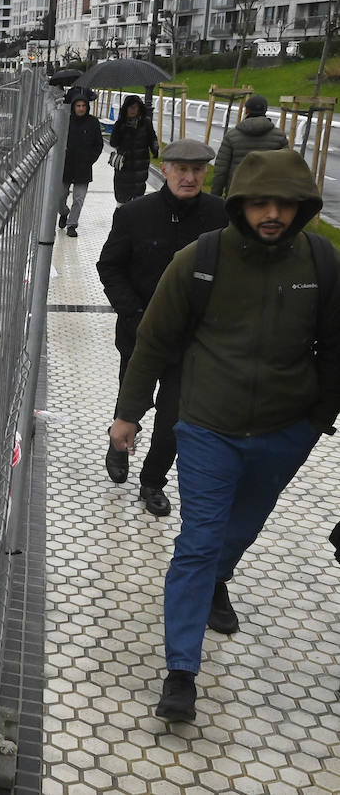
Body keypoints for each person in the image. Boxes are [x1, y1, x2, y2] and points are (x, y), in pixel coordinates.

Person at [108, 148, 340, 723]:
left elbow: (335, 348)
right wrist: (129, 414)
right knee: (199, 538)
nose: (271, 215)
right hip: (208, 424)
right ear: (240, 205)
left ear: (302, 208)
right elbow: (155, 342)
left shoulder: (321, 262)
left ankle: (219, 581)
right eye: (260, 203)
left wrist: (317, 420)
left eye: (284, 205)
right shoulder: (201, 259)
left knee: (243, 528)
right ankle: (181, 671)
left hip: (288, 430)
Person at [96, 140, 228, 516]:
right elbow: (110, 266)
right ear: (165, 169)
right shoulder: (136, 214)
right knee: (133, 398)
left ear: (206, 173)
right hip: (140, 332)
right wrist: (134, 314)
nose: (189, 177)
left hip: (193, 339)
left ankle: (153, 481)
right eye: (181, 169)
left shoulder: (220, 216)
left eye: (197, 171)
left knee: (174, 416)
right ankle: (119, 441)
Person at [213, 95, 288, 198]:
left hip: (236, 195)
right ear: (265, 111)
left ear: (246, 111)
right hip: (268, 196)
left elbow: (221, 171)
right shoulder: (279, 137)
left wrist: (215, 197)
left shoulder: (231, 136)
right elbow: (286, 169)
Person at [59, 95, 104, 238]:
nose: (81, 108)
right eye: (78, 106)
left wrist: (90, 159)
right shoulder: (66, 120)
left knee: (79, 198)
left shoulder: (93, 122)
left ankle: (72, 224)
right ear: (73, 107)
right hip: (65, 166)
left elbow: (99, 144)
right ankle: (64, 213)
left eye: (83, 106)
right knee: (59, 197)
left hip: (83, 168)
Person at [108, 95, 160, 204]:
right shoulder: (120, 123)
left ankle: (134, 218)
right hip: (123, 166)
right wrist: (121, 129)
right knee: (122, 198)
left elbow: (152, 137)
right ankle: (121, 217)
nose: (133, 110)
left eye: (135, 107)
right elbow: (113, 142)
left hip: (140, 166)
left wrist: (155, 150)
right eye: (130, 107)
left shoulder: (146, 122)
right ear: (125, 108)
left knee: (138, 198)